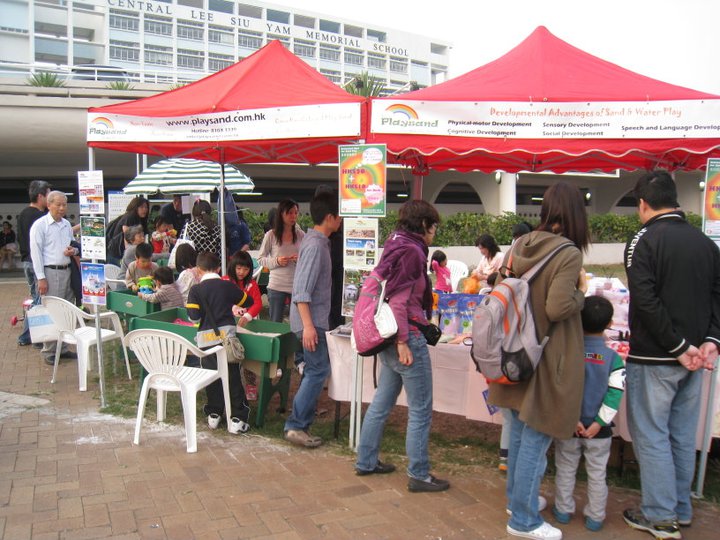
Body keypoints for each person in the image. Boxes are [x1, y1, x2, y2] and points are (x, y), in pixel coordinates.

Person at [621, 171, 720, 539]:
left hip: (658, 357)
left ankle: (661, 516)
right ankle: (679, 507)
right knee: (680, 434)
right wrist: (709, 340)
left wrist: (678, 347)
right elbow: (717, 295)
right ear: (675, 200)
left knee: (651, 435)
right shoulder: (704, 242)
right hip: (694, 357)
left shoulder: (643, 240)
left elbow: (645, 300)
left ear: (643, 204)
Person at [489, 182, 589, 540]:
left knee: (518, 430)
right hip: (546, 355)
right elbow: (558, 306)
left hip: (514, 352)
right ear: (576, 213)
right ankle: (524, 520)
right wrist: (582, 294)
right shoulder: (568, 253)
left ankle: (519, 502)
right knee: (535, 436)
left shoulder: (521, 244)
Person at [354, 200, 450, 493]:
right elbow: (397, 299)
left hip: (388, 336)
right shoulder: (411, 251)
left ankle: (366, 460)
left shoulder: (395, 242)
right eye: (433, 227)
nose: (434, 233)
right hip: (404, 337)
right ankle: (419, 474)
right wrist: (403, 341)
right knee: (420, 409)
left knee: (382, 401)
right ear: (423, 225)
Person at [552, 295, 625, 533]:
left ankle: (563, 511)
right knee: (597, 473)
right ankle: (595, 517)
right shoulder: (613, 358)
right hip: (599, 432)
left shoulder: (569, 353)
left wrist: (573, 418)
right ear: (610, 323)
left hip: (569, 426)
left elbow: (562, 388)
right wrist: (599, 422)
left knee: (565, 468)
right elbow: (615, 394)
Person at [283, 190, 342, 448]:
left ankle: (298, 424)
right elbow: (302, 291)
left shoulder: (316, 242)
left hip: (312, 320)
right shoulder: (316, 245)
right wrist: (308, 326)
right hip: (311, 321)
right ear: (330, 217)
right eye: (339, 215)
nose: (341, 220)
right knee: (318, 371)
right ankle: (296, 425)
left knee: (315, 371)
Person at [186, 252, 255, 434]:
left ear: (198, 271)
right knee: (232, 377)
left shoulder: (195, 290)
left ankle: (214, 415)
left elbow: (193, 316)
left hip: (206, 343)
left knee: (212, 377)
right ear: (218, 268)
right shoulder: (226, 286)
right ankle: (237, 419)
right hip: (227, 341)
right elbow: (247, 300)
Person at [29, 190, 79, 364]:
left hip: (67, 269)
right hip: (50, 271)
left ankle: (63, 347)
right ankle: (49, 350)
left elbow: (74, 245)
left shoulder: (66, 224)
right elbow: (35, 253)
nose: (62, 208)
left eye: (64, 204)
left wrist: (74, 251)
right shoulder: (40, 225)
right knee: (52, 310)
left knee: (66, 309)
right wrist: (41, 277)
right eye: (58, 204)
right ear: (49, 204)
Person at [257, 199, 304, 323]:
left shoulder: (301, 235)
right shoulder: (271, 235)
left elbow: (308, 258)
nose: (293, 216)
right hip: (276, 285)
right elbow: (260, 259)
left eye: (296, 213)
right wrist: (277, 261)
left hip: (297, 286)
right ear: (281, 214)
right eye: (290, 213)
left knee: (298, 323)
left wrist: (300, 259)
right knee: (275, 323)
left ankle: (294, 343)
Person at [17, 180, 51, 346]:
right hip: (36, 263)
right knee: (39, 301)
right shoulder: (40, 217)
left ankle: (30, 335)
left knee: (36, 299)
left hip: (26, 263)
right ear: (40, 196)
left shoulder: (23, 213)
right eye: (48, 195)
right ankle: (28, 336)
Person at [106, 196, 150, 265]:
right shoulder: (129, 217)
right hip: (118, 254)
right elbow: (126, 237)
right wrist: (128, 253)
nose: (145, 209)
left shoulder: (141, 219)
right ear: (135, 207)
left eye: (146, 207)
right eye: (141, 207)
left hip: (124, 253)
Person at [225, 250, 262, 326]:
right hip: (225, 321)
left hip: (247, 322)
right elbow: (218, 301)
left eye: (246, 269)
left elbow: (257, 303)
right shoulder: (224, 281)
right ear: (232, 267)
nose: (242, 272)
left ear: (250, 270)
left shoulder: (252, 284)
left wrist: (247, 316)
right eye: (239, 268)